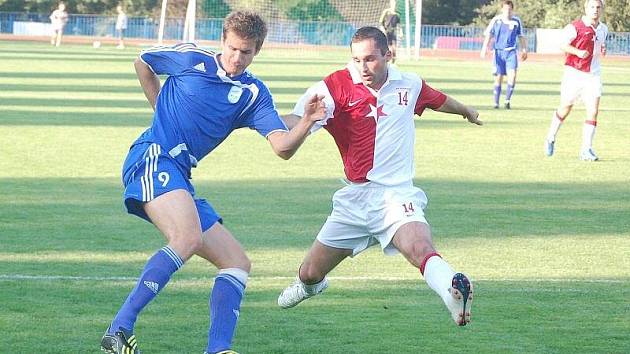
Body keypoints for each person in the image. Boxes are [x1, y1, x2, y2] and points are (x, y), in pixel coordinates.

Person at [100, 11, 325, 354]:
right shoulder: (191, 58)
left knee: (236, 261)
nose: (237, 58)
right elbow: (142, 62)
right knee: (187, 237)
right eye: (232, 48)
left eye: (246, 52)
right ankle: (118, 329)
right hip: (154, 156)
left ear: (257, 51)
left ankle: (218, 349)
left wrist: (308, 120)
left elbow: (282, 146)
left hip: (180, 175)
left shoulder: (253, 93)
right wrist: (159, 104)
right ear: (222, 41)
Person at [277, 26, 481, 327]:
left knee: (420, 248)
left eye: (370, 59)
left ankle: (452, 290)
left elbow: (439, 100)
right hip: (354, 201)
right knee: (309, 272)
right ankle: (310, 286)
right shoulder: (333, 86)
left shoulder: (408, 84)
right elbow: (294, 120)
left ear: (389, 54)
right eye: (357, 59)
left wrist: (466, 110)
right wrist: (256, 118)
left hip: (396, 196)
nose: (363, 67)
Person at [544, 0, 608, 161]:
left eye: (598, 7)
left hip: (593, 75)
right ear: (586, 8)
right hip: (574, 73)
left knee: (593, 111)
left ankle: (586, 149)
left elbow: (599, 46)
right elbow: (561, 44)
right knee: (565, 108)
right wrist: (578, 52)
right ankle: (550, 137)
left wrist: (602, 49)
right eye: (592, 7)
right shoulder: (575, 27)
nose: (595, 10)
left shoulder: (603, 29)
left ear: (602, 9)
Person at [480, 0, 527, 109]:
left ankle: (507, 100)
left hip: (511, 52)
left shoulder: (516, 21)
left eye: (510, 9)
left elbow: (521, 36)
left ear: (512, 10)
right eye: (506, 9)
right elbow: (489, 35)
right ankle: (496, 103)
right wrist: (484, 48)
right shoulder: (496, 20)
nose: (508, 11)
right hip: (498, 53)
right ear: (502, 9)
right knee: (499, 77)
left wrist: (524, 50)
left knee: (513, 75)